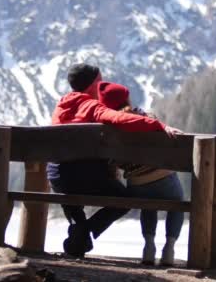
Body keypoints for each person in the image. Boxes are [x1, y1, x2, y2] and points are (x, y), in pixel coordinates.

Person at [48, 63, 182, 258]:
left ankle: (79, 236)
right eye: (100, 81)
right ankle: (83, 232)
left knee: (72, 197)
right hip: (81, 177)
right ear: (93, 84)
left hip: (56, 176)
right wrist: (157, 124)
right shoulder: (91, 106)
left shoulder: (60, 106)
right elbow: (120, 119)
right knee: (124, 200)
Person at [97, 81, 185, 266]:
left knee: (148, 205)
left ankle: (148, 248)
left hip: (136, 185)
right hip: (163, 180)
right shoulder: (146, 117)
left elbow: (112, 161)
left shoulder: (107, 128)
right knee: (178, 205)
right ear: (126, 98)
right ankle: (169, 249)